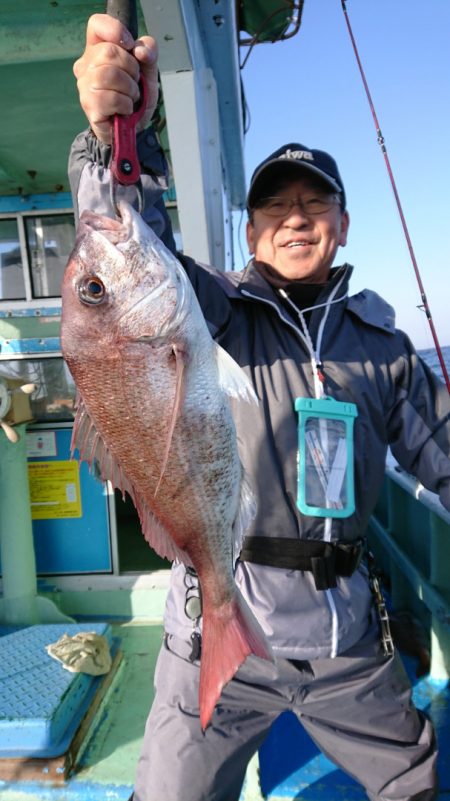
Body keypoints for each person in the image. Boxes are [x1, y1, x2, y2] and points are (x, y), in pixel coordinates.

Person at [70, 15, 450, 801]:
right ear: (250, 231)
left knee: (413, 784)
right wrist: (113, 140)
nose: (298, 218)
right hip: (213, 617)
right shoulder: (209, 311)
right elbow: (134, 239)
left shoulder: (383, 346)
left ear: (343, 227)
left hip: (343, 640)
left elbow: (441, 452)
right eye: (276, 207)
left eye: (317, 204)